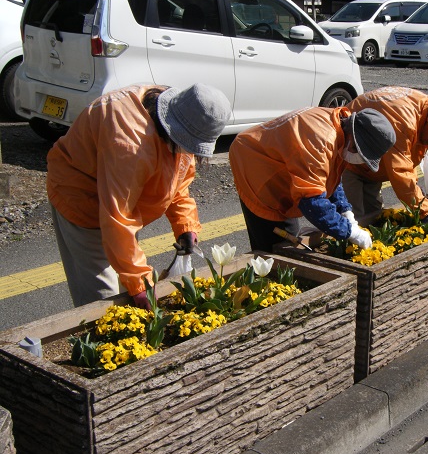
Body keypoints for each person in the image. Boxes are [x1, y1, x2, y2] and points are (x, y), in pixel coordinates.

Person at [47, 83, 232, 308]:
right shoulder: (129, 143)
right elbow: (118, 217)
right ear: (172, 130)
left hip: (118, 201)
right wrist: (140, 283)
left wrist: (185, 225)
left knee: (130, 276)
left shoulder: (178, 113)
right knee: (102, 297)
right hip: (80, 198)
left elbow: (178, 179)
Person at [229, 106, 397, 252]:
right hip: (256, 166)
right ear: (355, 141)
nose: (361, 162)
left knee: (289, 234)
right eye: (362, 156)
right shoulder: (320, 140)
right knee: (277, 243)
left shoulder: (340, 127)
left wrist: (346, 212)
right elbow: (311, 202)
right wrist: (349, 232)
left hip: (276, 157)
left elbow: (329, 176)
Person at [342, 86, 428, 227]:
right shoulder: (403, 121)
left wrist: (415, 189)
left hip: (372, 165)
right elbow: (400, 171)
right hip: (348, 157)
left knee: (375, 216)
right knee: (353, 220)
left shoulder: (425, 111)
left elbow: (410, 156)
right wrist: (425, 212)